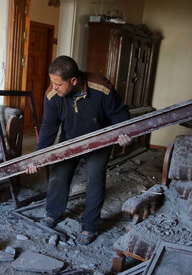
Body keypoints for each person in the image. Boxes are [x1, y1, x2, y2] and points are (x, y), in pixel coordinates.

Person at [26, 55, 131, 245]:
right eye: (52, 83)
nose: (54, 87)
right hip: (70, 139)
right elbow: (49, 127)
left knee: (94, 179)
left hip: (99, 140)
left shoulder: (101, 88)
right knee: (59, 173)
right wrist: (37, 157)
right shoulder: (52, 95)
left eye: (58, 84)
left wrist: (123, 134)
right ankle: (53, 214)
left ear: (73, 81)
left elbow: (120, 114)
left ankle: (89, 225)